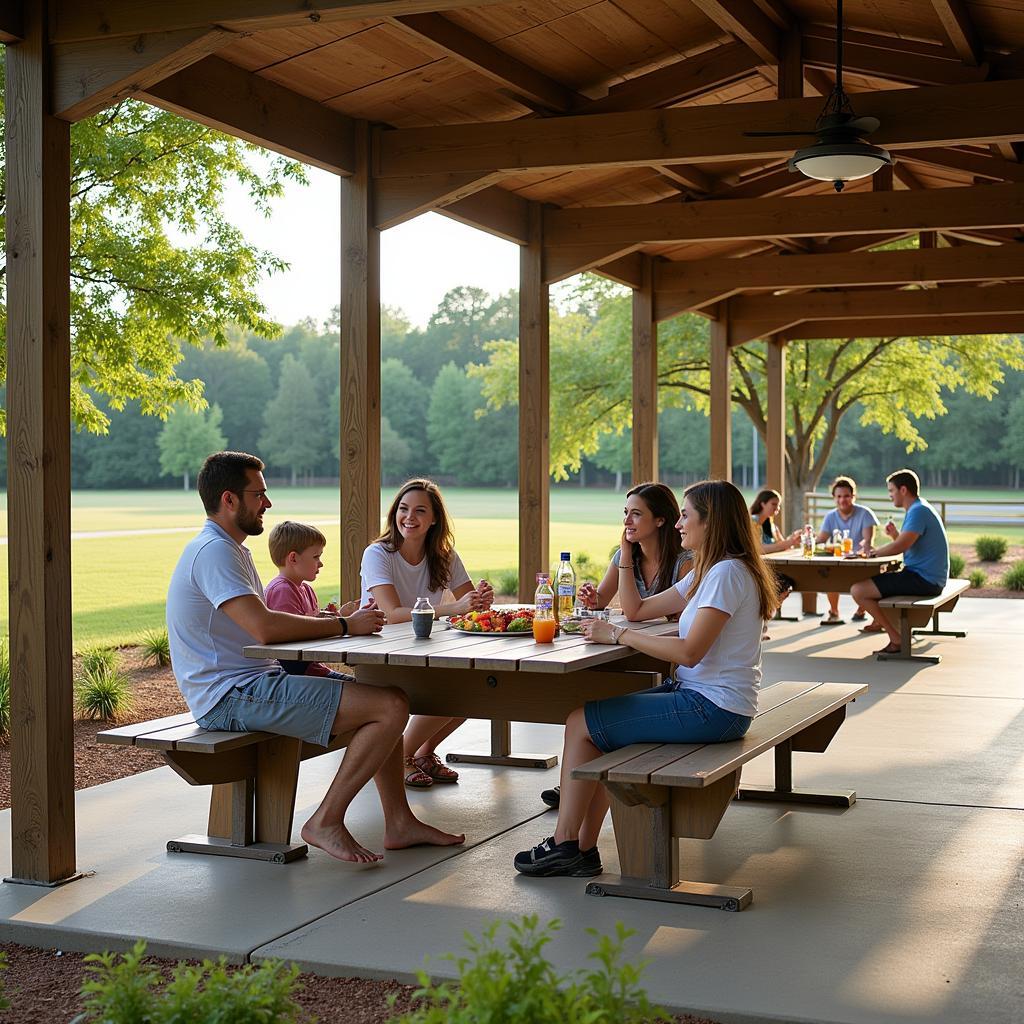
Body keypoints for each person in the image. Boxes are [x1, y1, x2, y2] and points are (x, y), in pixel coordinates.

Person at [166, 451, 464, 864]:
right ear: (230, 499)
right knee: (389, 706)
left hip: (255, 683)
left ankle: (398, 822)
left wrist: (326, 621)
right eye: (259, 494)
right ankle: (326, 820)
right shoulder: (214, 552)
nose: (267, 503)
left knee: (386, 695)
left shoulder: (230, 550)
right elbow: (266, 627)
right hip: (231, 694)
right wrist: (344, 627)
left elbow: (267, 622)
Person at [513, 479, 777, 879]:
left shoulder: (725, 574)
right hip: (710, 700)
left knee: (580, 722)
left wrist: (615, 634)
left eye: (686, 516)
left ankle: (565, 843)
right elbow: (636, 610)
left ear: (712, 522)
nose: (678, 524)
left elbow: (689, 651)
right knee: (600, 730)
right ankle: (580, 849)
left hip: (713, 708)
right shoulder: (710, 571)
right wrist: (625, 554)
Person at [541, 481, 691, 811]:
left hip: (672, 659)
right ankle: (578, 778)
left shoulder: (685, 562)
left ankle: (580, 781)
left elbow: (676, 619)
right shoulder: (625, 555)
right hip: (634, 645)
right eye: (626, 513)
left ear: (661, 520)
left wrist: (625, 610)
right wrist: (593, 598)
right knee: (595, 692)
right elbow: (603, 603)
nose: (627, 522)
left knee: (605, 706)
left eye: (637, 514)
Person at [361, 478, 494, 789]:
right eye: (404, 509)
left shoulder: (444, 554)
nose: (410, 517)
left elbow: (470, 606)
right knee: (456, 691)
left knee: (479, 691)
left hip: (426, 646)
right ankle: (402, 757)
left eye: (420, 511)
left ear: (434, 518)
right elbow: (392, 616)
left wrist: (479, 601)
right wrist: (455, 608)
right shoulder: (378, 554)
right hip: (384, 649)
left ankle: (423, 753)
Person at [850, 468, 949, 656]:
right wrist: (895, 535)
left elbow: (900, 547)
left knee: (859, 590)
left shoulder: (918, 511)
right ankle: (894, 632)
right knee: (874, 583)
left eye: (891, 491)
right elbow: (909, 544)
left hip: (924, 580)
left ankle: (896, 639)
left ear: (903, 490)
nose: (890, 496)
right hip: (927, 577)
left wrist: (872, 554)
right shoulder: (920, 507)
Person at [265, 520, 352, 680]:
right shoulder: (282, 591)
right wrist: (340, 624)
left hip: (312, 670)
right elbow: (290, 639)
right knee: (359, 687)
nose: (321, 563)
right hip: (296, 676)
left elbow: (312, 627)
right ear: (293, 558)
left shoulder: (306, 589)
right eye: (316, 557)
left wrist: (337, 616)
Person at [815, 475, 878, 625]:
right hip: (837, 560)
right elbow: (821, 540)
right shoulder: (830, 516)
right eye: (839, 496)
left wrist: (859, 552)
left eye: (846, 496)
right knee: (828, 573)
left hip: (859, 560)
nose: (842, 500)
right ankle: (834, 611)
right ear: (834, 498)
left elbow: (867, 542)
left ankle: (861, 609)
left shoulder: (865, 513)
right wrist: (805, 541)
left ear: (853, 496)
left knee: (868, 574)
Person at [749, 488, 800, 628]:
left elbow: (783, 546)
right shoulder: (752, 522)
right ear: (762, 504)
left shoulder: (771, 525)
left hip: (772, 567)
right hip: (756, 568)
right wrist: (787, 543)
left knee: (787, 584)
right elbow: (758, 549)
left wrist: (792, 540)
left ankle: (762, 623)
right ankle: (760, 625)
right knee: (781, 584)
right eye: (774, 504)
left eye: (778, 505)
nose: (777, 508)